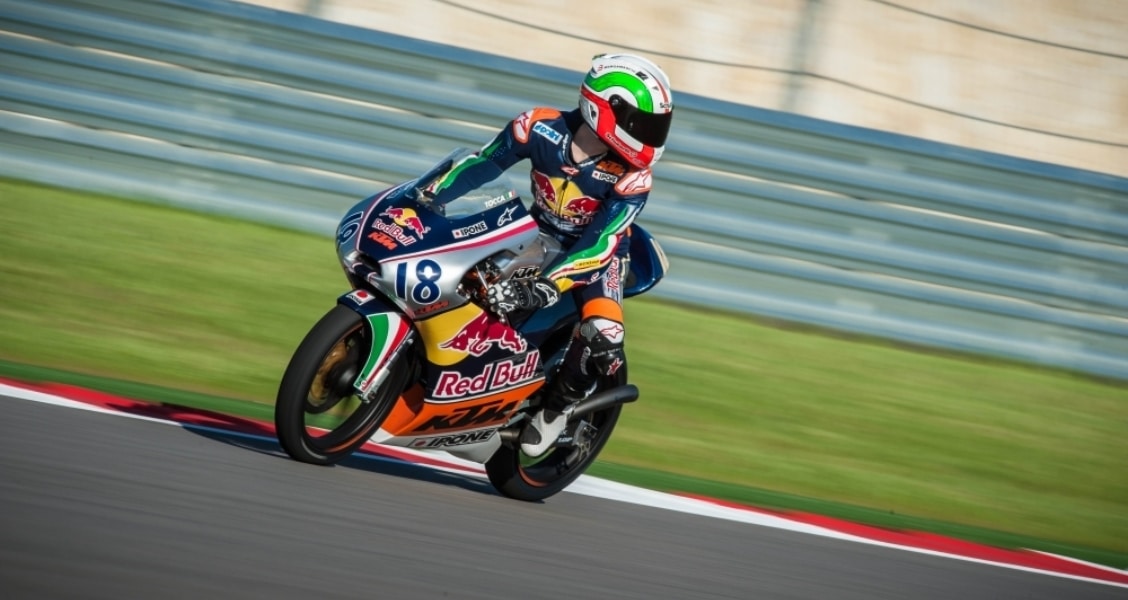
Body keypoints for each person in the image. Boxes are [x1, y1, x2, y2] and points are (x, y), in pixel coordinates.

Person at [424, 53, 674, 457]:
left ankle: (556, 409)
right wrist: (431, 194)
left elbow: (601, 243)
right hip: (535, 233)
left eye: (656, 126)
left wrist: (547, 286)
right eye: (642, 124)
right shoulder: (536, 127)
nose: (650, 135)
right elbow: (482, 164)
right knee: (467, 281)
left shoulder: (634, 177)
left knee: (605, 335)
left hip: (600, 257)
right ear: (603, 108)